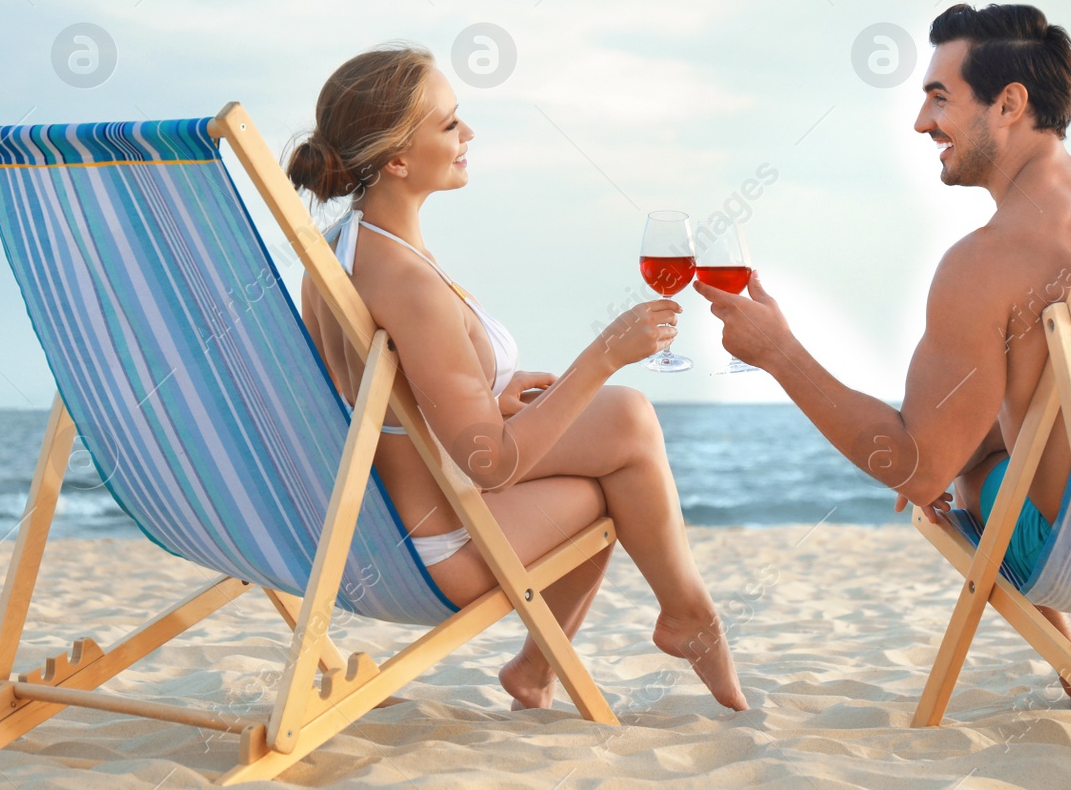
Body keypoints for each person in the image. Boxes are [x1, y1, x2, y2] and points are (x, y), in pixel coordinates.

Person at [694, 3, 1071, 702]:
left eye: (939, 98)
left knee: (964, 472)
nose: (923, 123)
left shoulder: (983, 264)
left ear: (1009, 104)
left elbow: (914, 468)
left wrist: (780, 353)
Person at [288, 44, 747, 713]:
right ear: (396, 159)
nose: (468, 134)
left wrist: (492, 394)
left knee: (622, 424)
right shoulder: (408, 280)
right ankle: (682, 617)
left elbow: (382, 404)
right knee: (624, 443)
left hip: (374, 529)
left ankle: (561, 662)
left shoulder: (342, 251)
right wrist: (604, 354)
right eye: (448, 125)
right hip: (434, 553)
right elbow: (490, 463)